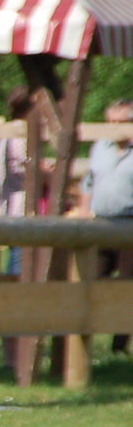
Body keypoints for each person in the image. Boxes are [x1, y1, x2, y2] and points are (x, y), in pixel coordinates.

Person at [81, 98, 133, 354]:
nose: (113, 127)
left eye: (120, 122)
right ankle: (82, 344)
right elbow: (88, 181)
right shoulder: (100, 146)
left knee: (127, 285)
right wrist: (83, 211)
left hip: (129, 225)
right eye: (110, 122)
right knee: (90, 281)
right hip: (99, 223)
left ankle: (119, 345)